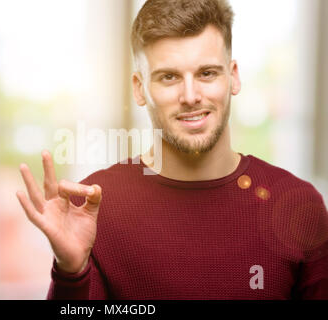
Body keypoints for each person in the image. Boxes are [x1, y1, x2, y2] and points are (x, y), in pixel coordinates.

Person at [16, 0, 328, 299]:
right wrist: (72, 273)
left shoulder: (299, 206)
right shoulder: (93, 208)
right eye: (169, 77)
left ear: (233, 77)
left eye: (207, 73)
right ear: (140, 88)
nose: (190, 95)